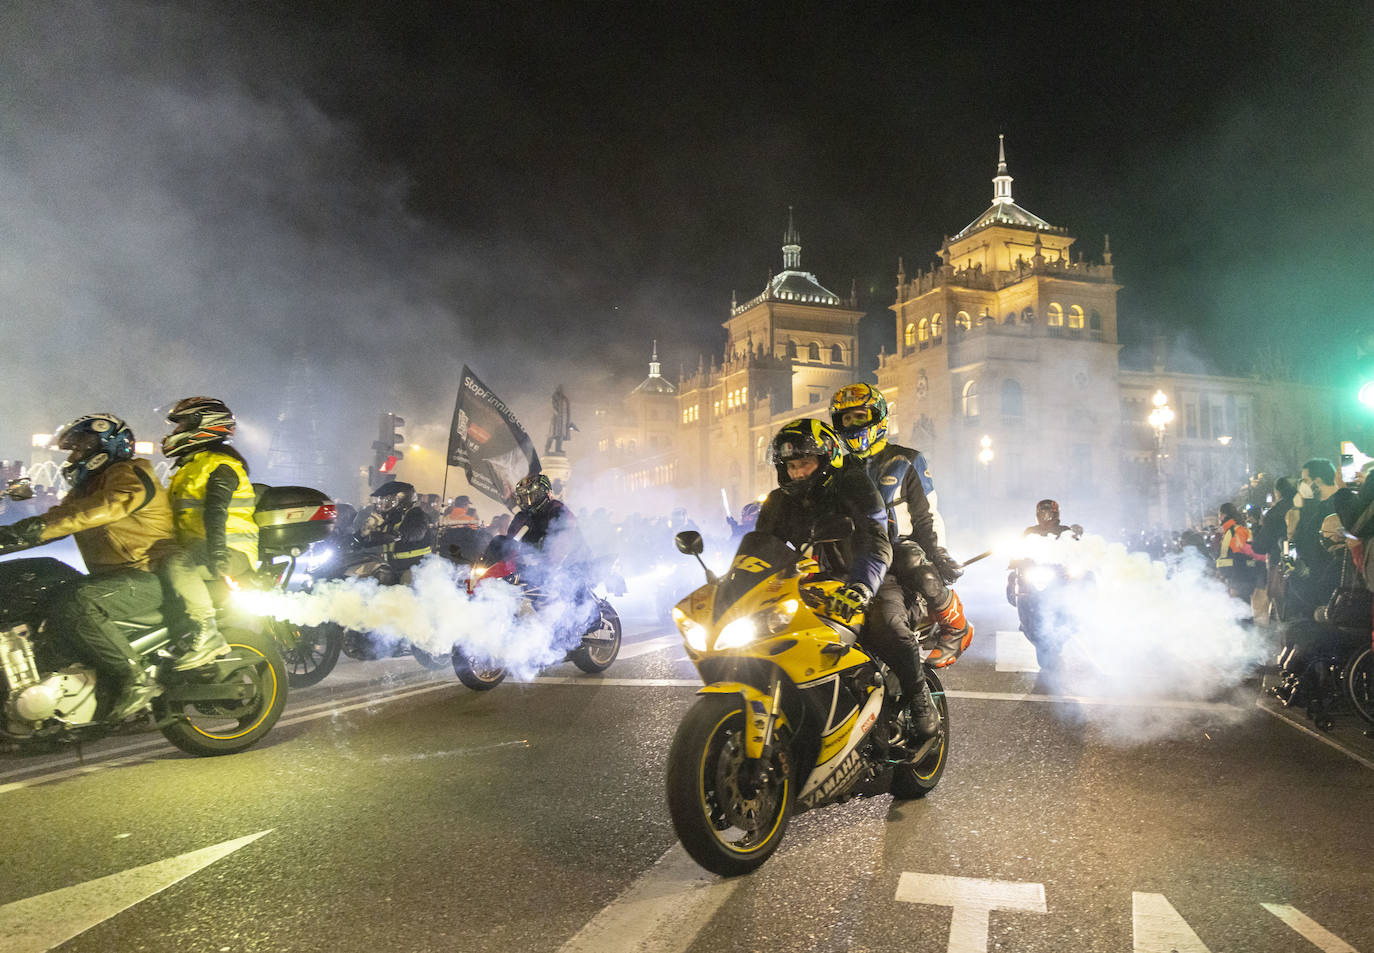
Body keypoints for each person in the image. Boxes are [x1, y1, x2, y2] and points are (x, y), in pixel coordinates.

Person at [0, 414, 179, 721]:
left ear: (106, 444)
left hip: (146, 574)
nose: (75, 455)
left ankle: (134, 678)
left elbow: (105, 507)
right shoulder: (86, 488)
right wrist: (10, 537)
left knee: (76, 603)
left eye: (81, 446)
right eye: (73, 449)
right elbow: (59, 518)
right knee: (33, 578)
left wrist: (33, 529)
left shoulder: (131, 473)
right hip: (114, 578)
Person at [753, 420, 922, 732]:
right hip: (812, 585)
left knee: (887, 626)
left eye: (804, 463)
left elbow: (876, 541)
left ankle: (919, 698)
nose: (798, 472)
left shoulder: (854, 486)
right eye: (790, 466)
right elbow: (761, 550)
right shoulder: (778, 502)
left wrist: (861, 587)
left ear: (826, 458)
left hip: (869, 579)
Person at [830, 383, 972, 678]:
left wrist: (939, 555)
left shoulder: (907, 459)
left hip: (898, 551)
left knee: (911, 560)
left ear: (878, 418)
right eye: (846, 419)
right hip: (855, 556)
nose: (853, 425)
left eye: (859, 416)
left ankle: (955, 625)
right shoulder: (837, 468)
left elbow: (926, 516)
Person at [161, 396, 261, 669]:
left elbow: (216, 511)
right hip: (199, 548)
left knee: (176, 563)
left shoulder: (222, 465)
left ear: (202, 426)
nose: (174, 432)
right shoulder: (188, 467)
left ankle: (207, 633)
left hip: (230, 550)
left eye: (181, 425)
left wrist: (217, 554)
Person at [357, 480, 434, 573]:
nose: (382, 504)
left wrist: (397, 536)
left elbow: (417, 533)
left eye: (388, 501)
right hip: (392, 565)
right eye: (380, 500)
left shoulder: (416, 515)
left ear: (402, 500)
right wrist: (357, 540)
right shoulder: (389, 517)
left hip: (415, 567)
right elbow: (373, 538)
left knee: (405, 582)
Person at [1215, 501, 1263, 602]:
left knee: (1241, 607)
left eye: (1219, 514)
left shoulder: (1235, 531)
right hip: (1237, 576)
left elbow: (1244, 553)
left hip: (1240, 576)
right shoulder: (1231, 530)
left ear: (1224, 515)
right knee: (1240, 608)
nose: (1219, 517)